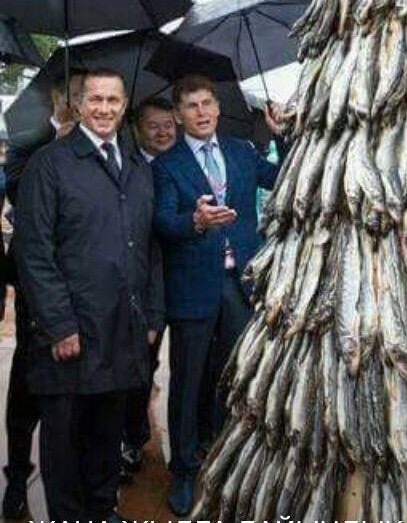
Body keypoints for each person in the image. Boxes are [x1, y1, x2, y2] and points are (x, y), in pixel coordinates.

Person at [13, 68, 164, 523]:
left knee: (105, 435)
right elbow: (33, 251)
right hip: (71, 335)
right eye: (95, 99)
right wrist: (59, 325)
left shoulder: (136, 167)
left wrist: (151, 313)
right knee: (65, 442)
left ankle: (103, 510)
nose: (104, 108)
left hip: (122, 330)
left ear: (124, 106)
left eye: (112, 100)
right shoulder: (50, 164)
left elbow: (149, 246)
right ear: (78, 105)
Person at [152, 74, 283, 516]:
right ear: (178, 114)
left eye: (207, 103)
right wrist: (195, 221)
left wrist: (281, 138)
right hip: (192, 287)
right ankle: (184, 469)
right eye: (192, 106)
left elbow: (281, 178)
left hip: (239, 285)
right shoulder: (166, 165)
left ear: (218, 107)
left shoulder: (241, 151)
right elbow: (162, 222)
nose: (202, 112)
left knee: (232, 376)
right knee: (187, 381)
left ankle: (223, 457)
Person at [2, 69, 85, 520]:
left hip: (80, 282)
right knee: (27, 382)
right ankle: (17, 475)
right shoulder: (28, 142)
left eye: (84, 95)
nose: (77, 102)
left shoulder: (97, 147)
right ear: (56, 96)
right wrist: (58, 145)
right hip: (35, 284)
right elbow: (18, 190)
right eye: (73, 94)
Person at [120, 97, 176, 479]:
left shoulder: (185, 164)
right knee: (137, 365)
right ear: (137, 128)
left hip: (182, 281)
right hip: (140, 283)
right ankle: (131, 438)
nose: (162, 132)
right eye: (153, 125)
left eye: (168, 125)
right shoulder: (126, 167)